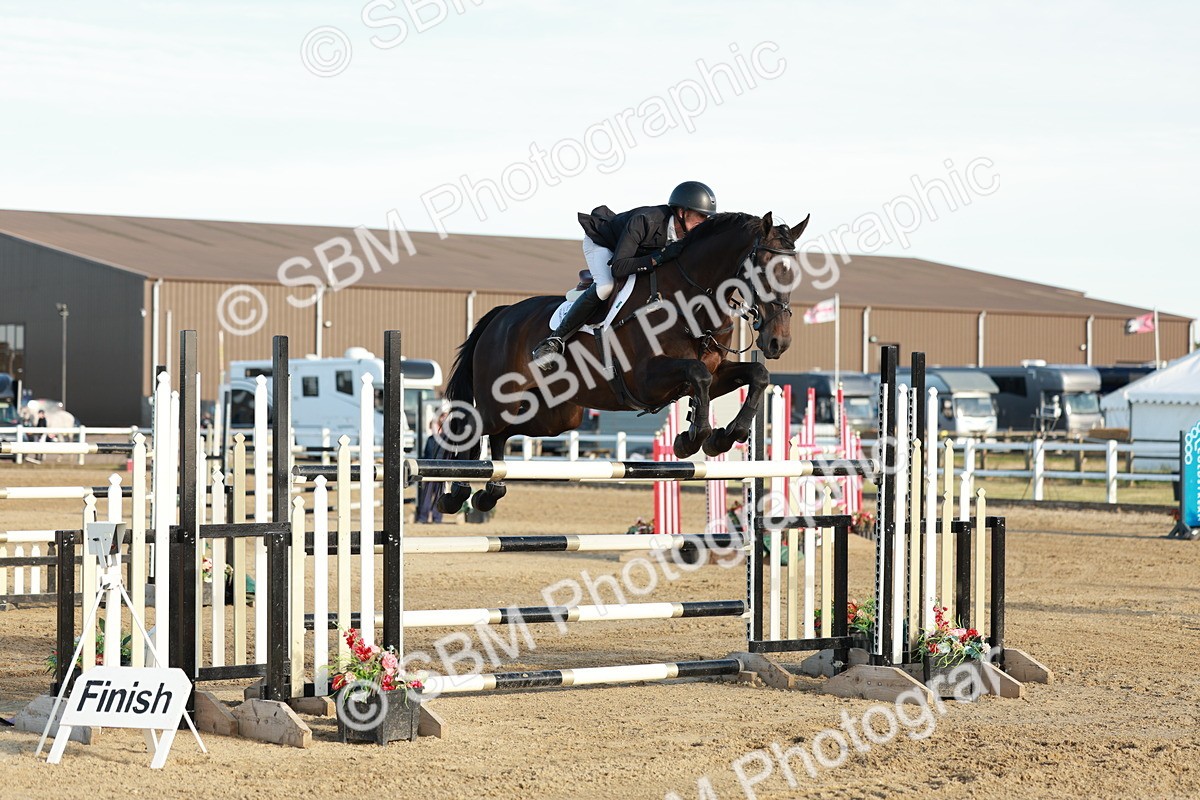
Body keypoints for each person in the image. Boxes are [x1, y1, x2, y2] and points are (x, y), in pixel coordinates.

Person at [530, 181, 717, 369]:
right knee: (606, 287)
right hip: (604, 244)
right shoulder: (645, 221)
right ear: (682, 212)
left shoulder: (687, 235)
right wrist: (658, 258)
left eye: (707, 217)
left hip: (632, 255)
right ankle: (553, 341)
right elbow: (618, 267)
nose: (704, 221)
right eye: (700, 215)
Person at [415, 413, 448, 523]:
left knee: (437, 495)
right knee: (427, 496)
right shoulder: (431, 439)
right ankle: (424, 517)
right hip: (430, 470)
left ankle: (436, 518)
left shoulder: (446, 439)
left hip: (441, 470)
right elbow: (426, 454)